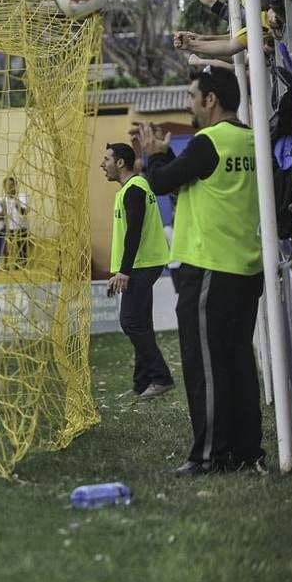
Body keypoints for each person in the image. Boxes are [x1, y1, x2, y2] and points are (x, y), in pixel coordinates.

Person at [134, 68, 265, 476]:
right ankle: (246, 451)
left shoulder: (208, 141)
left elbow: (159, 182)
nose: (189, 104)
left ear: (211, 100)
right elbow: (198, 179)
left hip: (209, 268)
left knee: (205, 364)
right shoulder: (250, 139)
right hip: (245, 268)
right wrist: (167, 160)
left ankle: (210, 456)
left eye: (192, 96)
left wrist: (154, 154)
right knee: (239, 361)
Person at [100, 143, 174, 400]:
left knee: (130, 322)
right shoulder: (132, 188)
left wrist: (124, 271)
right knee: (141, 323)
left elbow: (134, 233)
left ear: (120, 163)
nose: (102, 164)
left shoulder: (134, 189)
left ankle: (161, 378)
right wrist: (118, 271)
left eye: (106, 159)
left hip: (142, 264)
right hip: (141, 264)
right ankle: (142, 384)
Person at [0, 176, 30, 268]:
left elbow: (24, 212)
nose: (10, 187)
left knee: (21, 247)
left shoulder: (22, 196)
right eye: (7, 186)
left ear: (16, 186)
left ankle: (21, 264)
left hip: (21, 228)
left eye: (12, 185)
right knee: (1, 236)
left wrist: (15, 202)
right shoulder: (1, 199)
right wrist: (3, 208)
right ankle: (4, 264)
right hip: (8, 229)